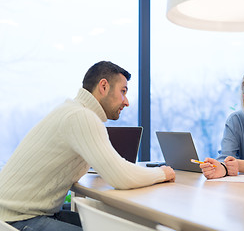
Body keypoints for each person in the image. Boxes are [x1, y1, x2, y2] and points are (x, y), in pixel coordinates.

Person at [0, 61, 175, 230]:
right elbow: (121, 177)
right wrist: (162, 172)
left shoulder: (71, 110)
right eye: (123, 91)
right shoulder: (81, 116)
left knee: (109, 226)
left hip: (18, 214)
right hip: (17, 219)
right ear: (104, 86)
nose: (126, 102)